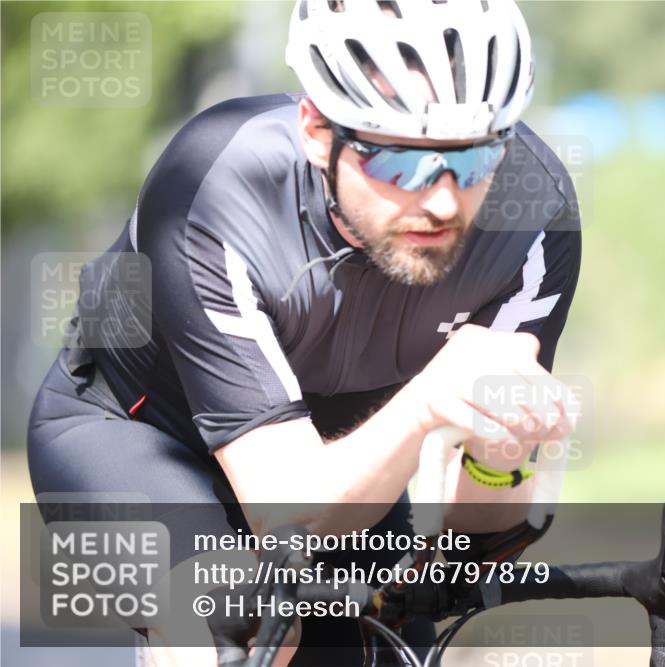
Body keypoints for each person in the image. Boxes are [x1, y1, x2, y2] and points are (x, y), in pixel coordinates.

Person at [26, 0, 581, 665]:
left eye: (471, 160)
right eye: (399, 161)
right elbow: (283, 509)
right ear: (318, 130)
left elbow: (473, 542)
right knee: (235, 625)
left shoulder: (534, 216)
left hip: (338, 456)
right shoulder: (217, 184)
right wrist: (435, 397)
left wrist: (499, 454)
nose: (439, 200)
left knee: (390, 643)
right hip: (134, 436)